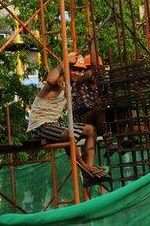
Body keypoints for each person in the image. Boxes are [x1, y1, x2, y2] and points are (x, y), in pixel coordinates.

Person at [26, 52, 108, 184]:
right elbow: (50, 79)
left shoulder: (72, 84)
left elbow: (92, 72)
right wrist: (63, 62)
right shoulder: (57, 83)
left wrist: (91, 43)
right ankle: (85, 168)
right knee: (68, 135)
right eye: (74, 69)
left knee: (90, 130)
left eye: (80, 70)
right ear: (67, 69)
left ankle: (88, 174)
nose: (77, 73)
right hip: (39, 127)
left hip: (54, 125)